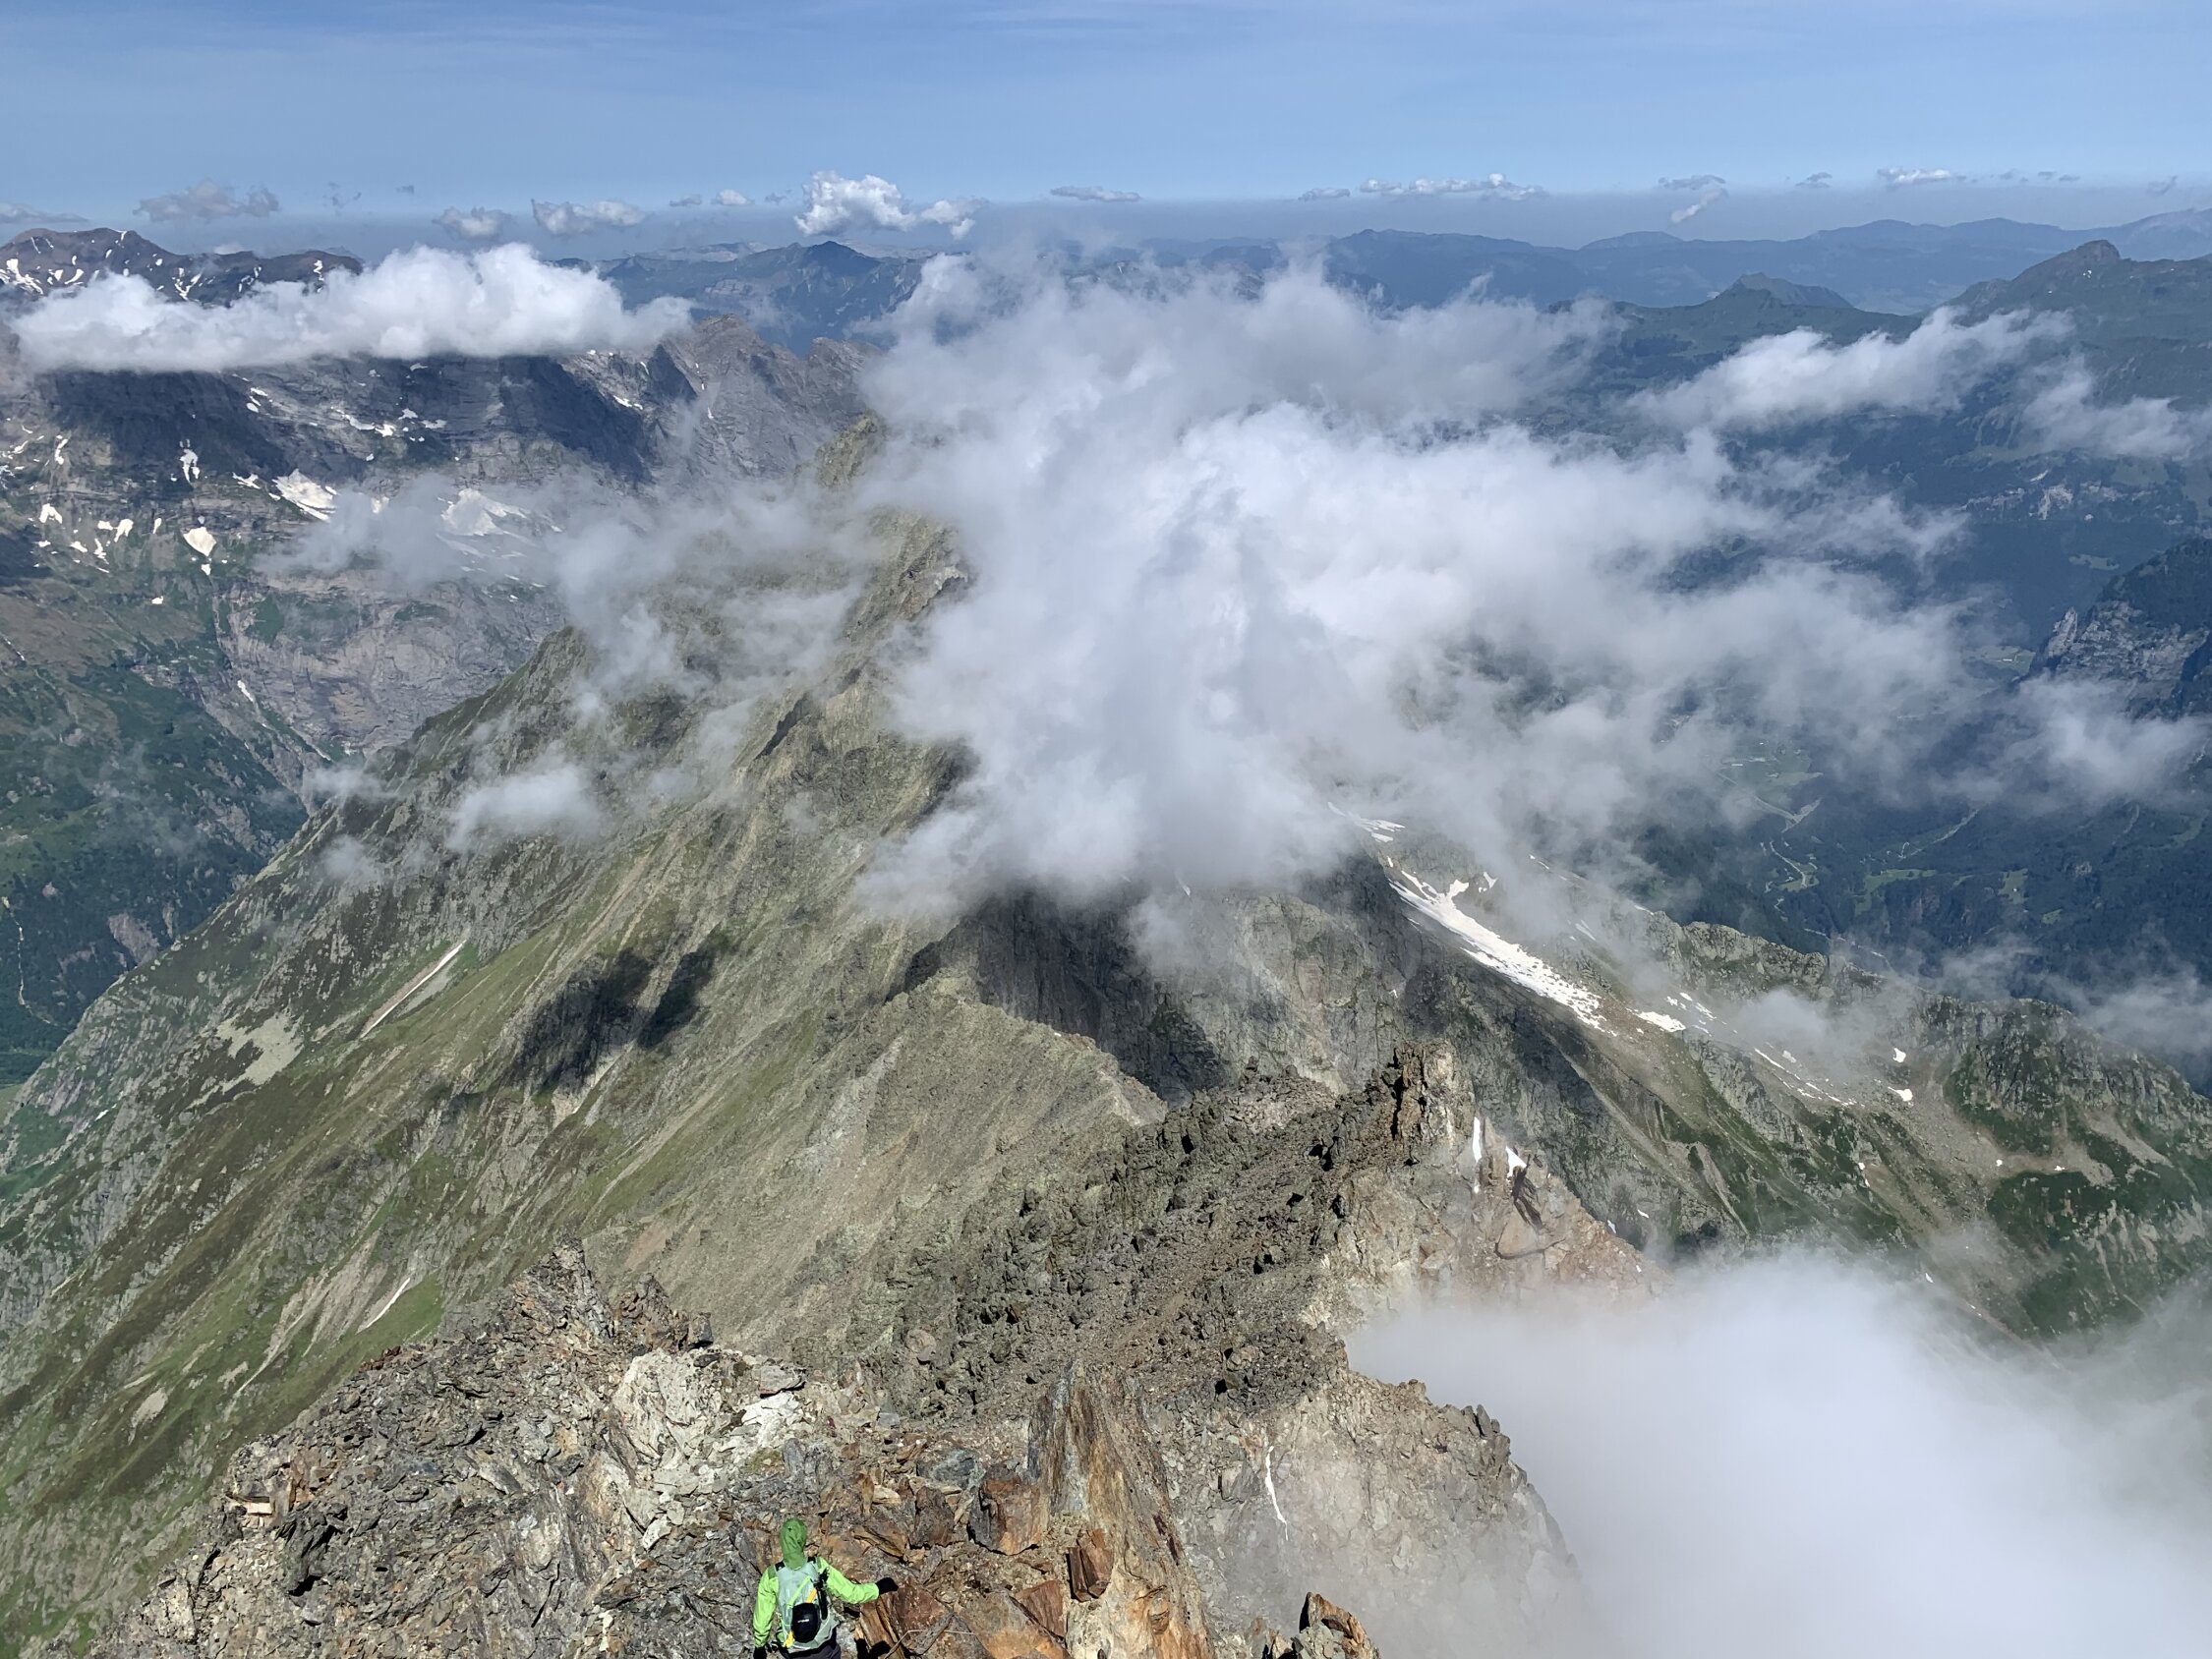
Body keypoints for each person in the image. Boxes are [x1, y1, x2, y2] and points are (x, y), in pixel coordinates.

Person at [752, 1516, 899, 1659]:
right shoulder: (818, 1566)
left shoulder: (771, 1576)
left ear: (782, 1542)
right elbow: (852, 1594)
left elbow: (762, 1618)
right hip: (825, 1647)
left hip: (793, 1649)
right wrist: (878, 1588)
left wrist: (759, 1646)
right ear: (802, 1539)